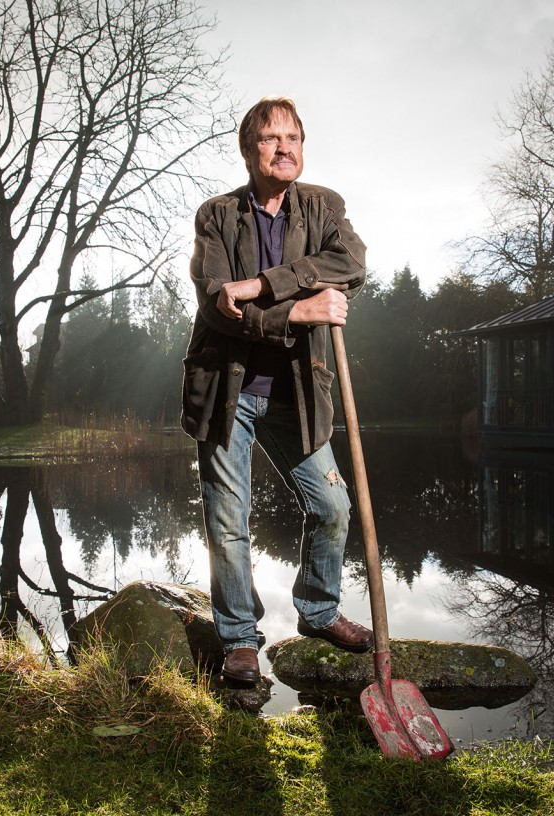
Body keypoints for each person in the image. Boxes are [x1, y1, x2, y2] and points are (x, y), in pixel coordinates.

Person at [180, 97, 373, 687]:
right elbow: (217, 303)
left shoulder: (324, 205)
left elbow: (352, 261)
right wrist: (297, 312)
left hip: (298, 391)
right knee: (228, 520)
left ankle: (317, 611)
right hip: (227, 391)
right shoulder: (215, 215)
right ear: (248, 150)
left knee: (333, 505)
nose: (284, 147)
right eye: (270, 138)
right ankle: (239, 639)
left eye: (293, 137)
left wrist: (267, 283)